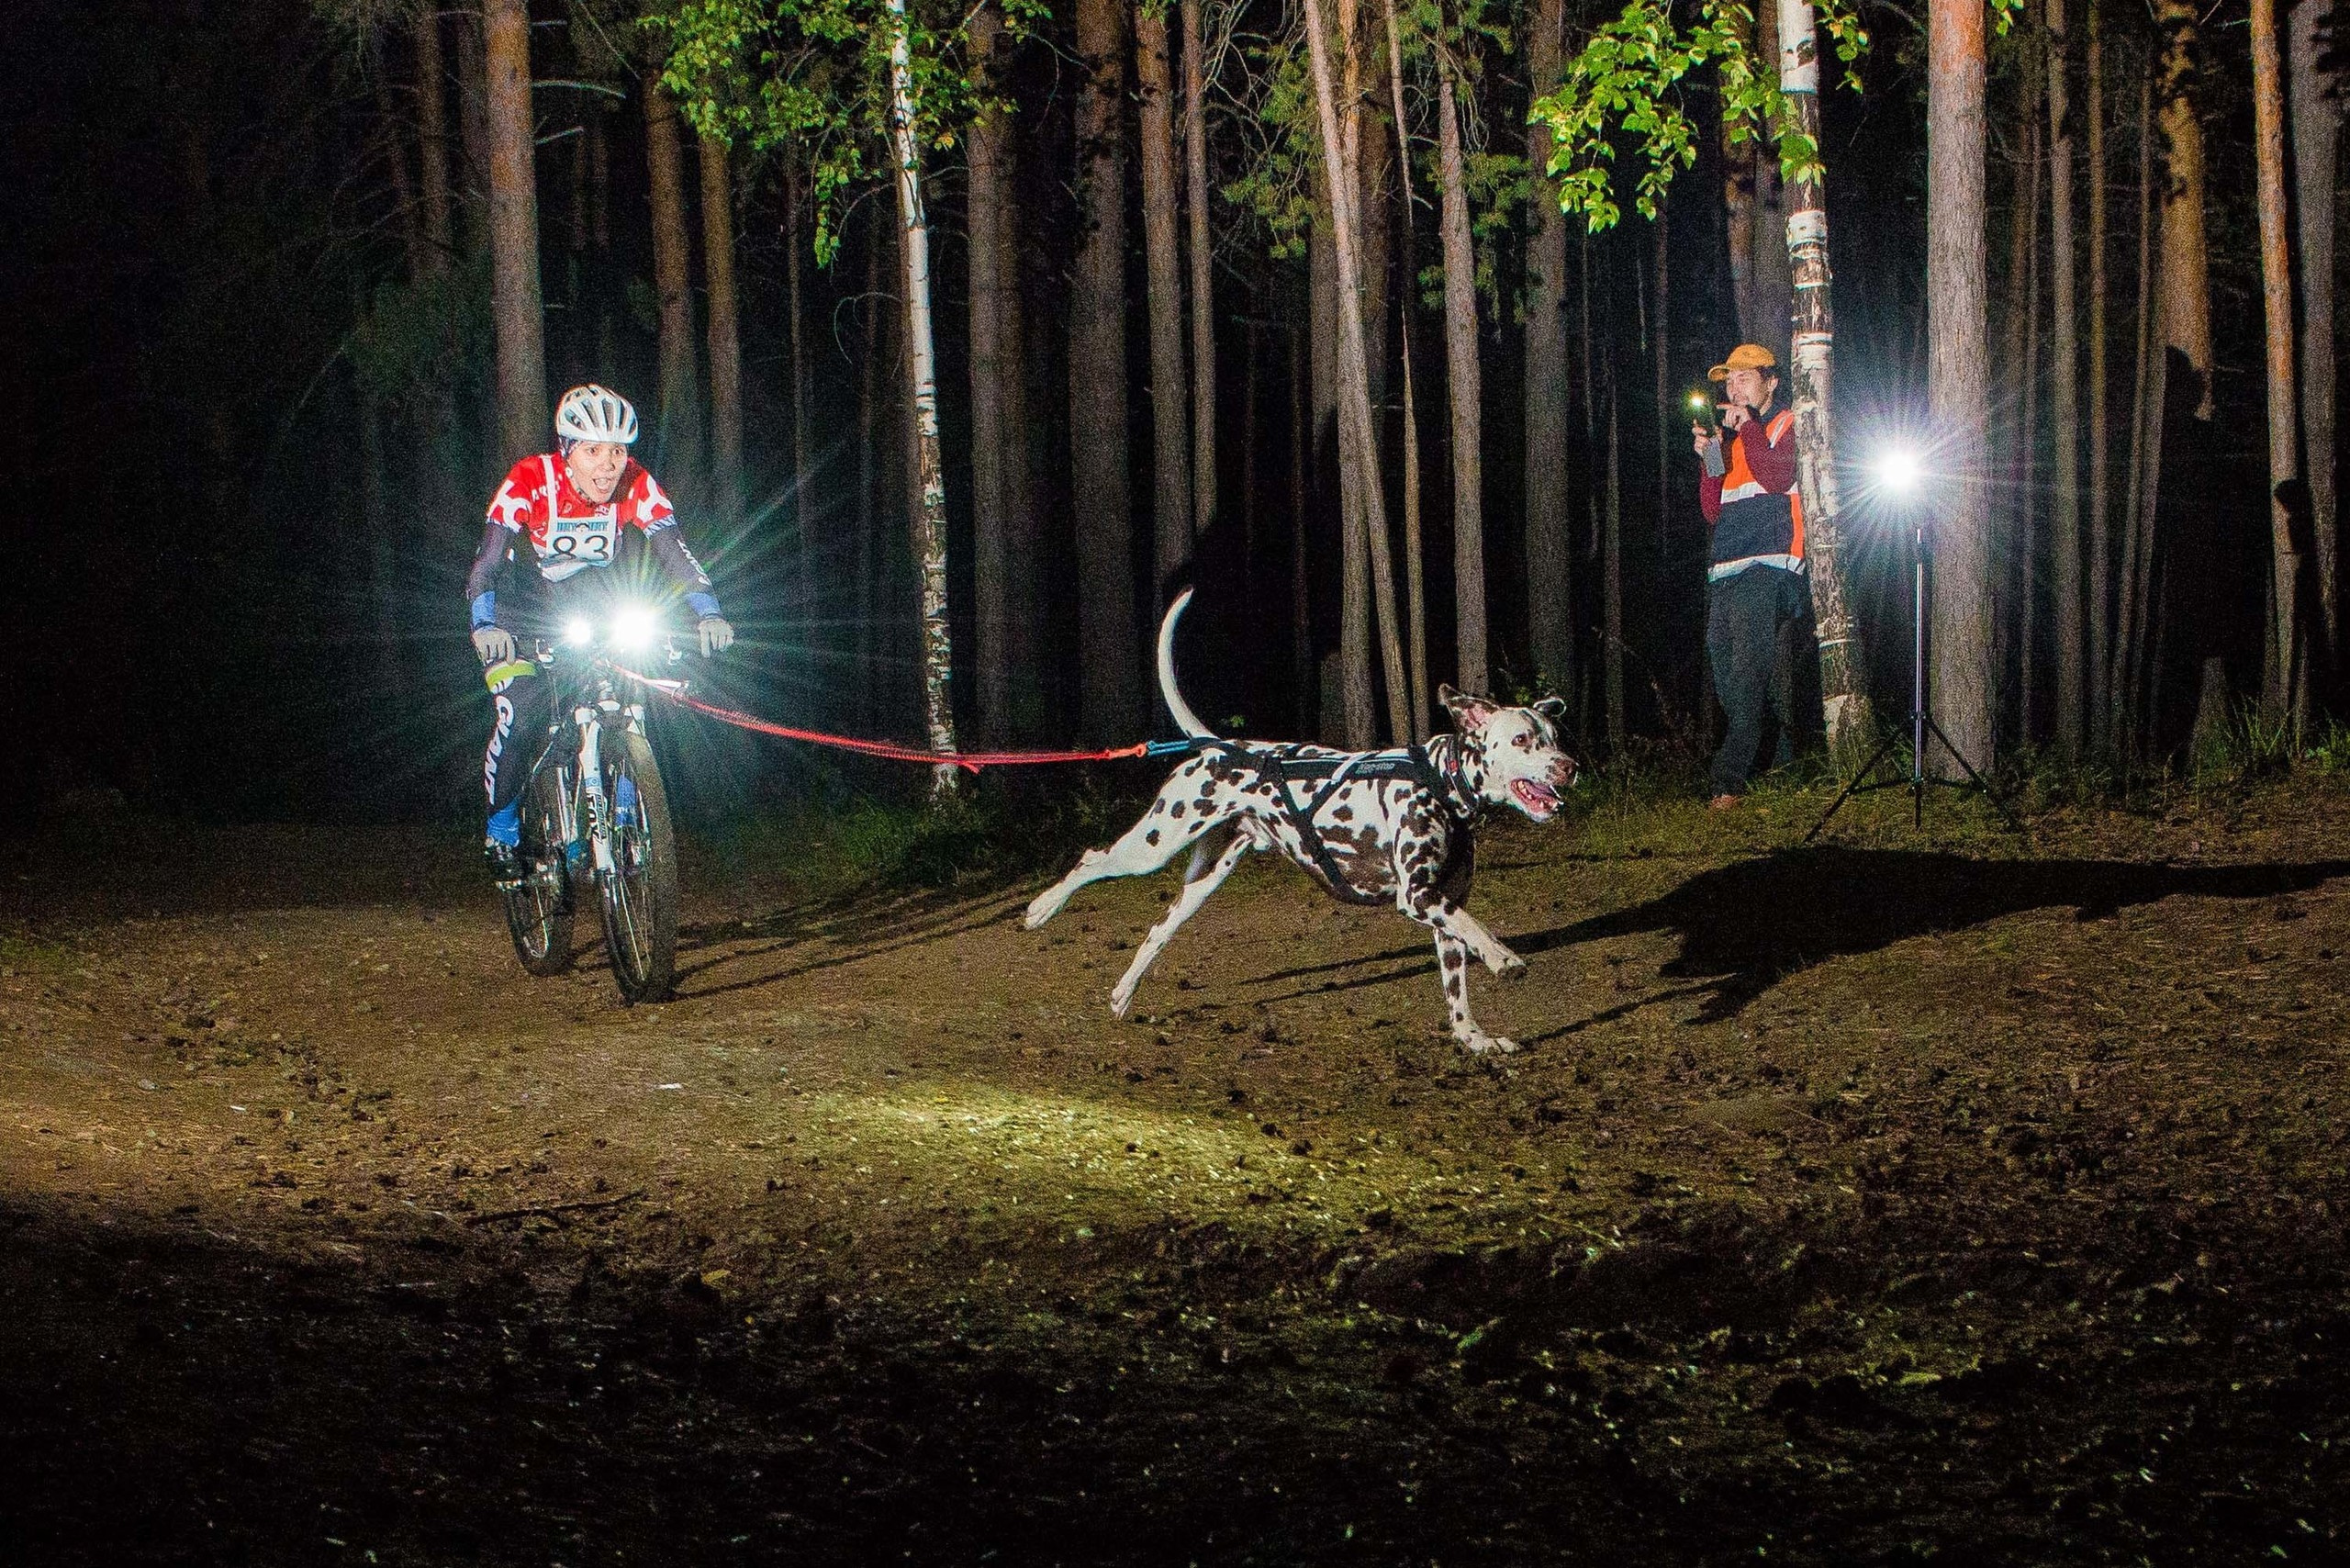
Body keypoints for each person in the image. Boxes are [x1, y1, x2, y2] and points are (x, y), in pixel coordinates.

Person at [467, 384, 733, 880]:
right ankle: (501, 826)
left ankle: (629, 815)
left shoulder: (636, 482)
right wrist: (486, 625)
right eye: (593, 451)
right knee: (521, 713)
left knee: (634, 685)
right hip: (521, 609)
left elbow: (676, 552)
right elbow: (486, 563)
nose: (608, 465)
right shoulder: (531, 478)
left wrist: (708, 613)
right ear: (567, 451)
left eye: (617, 450)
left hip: (592, 602)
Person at [1691, 343, 1810, 808]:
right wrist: (1709, 460)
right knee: (1725, 671)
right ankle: (1781, 755)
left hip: (1771, 564)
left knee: (1748, 673)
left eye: (1744, 377)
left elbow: (1779, 477)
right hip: (1727, 566)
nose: (1733, 386)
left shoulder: (1786, 424)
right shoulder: (1733, 440)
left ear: (1771, 382)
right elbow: (1711, 510)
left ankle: (1727, 782)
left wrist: (1750, 429)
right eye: (1729, 379)